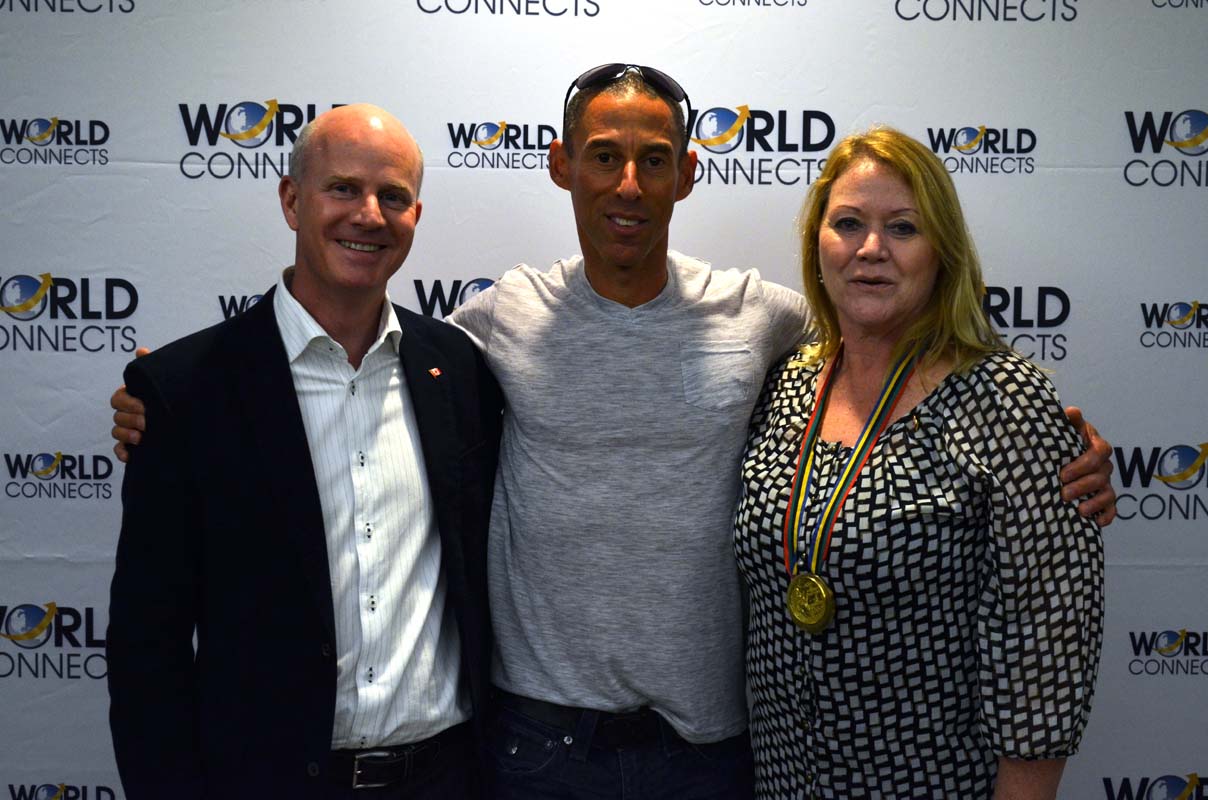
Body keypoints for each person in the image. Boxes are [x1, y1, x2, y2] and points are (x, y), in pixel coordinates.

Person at [110, 67, 1117, 799]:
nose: (627, 185)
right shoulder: (482, 329)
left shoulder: (766, 323)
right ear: (561, 167)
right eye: (602, 158)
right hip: (532, 750)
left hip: (715, 752)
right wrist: (177, 403)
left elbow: (896, 364)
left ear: (687, 174)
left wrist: (1054, 450)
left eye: (652, 160)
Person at [105, 104, 502, 799]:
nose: (368, 215)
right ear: (292, 200)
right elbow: (148, 645)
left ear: (415, 216)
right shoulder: (184, 391)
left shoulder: (461, 369)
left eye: (393, 197)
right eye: (343, 188)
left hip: (447, 779)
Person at [733, 127, 1104, 799]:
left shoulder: (1006, 403)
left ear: (942, 252)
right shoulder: (786, 383)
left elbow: (1047, 651)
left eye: (903, 228)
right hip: (784, 779)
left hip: (933, 783)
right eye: (849, 223)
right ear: (817, 244)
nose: (871, 249)